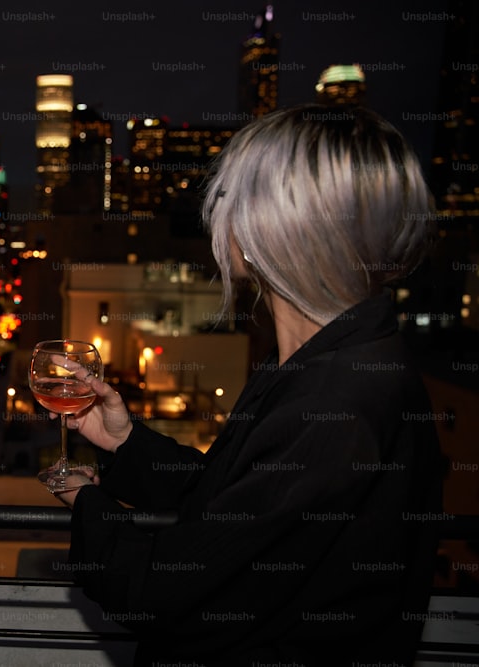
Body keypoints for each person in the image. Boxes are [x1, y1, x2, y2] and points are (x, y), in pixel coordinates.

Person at [52, 105, 444, 665]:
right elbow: (232, 508)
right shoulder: (332, 361)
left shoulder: (334, 405)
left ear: (271, 229)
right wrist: (126, 443)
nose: (216, 216)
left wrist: (87, 503)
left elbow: (167, 593)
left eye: (230, 199)